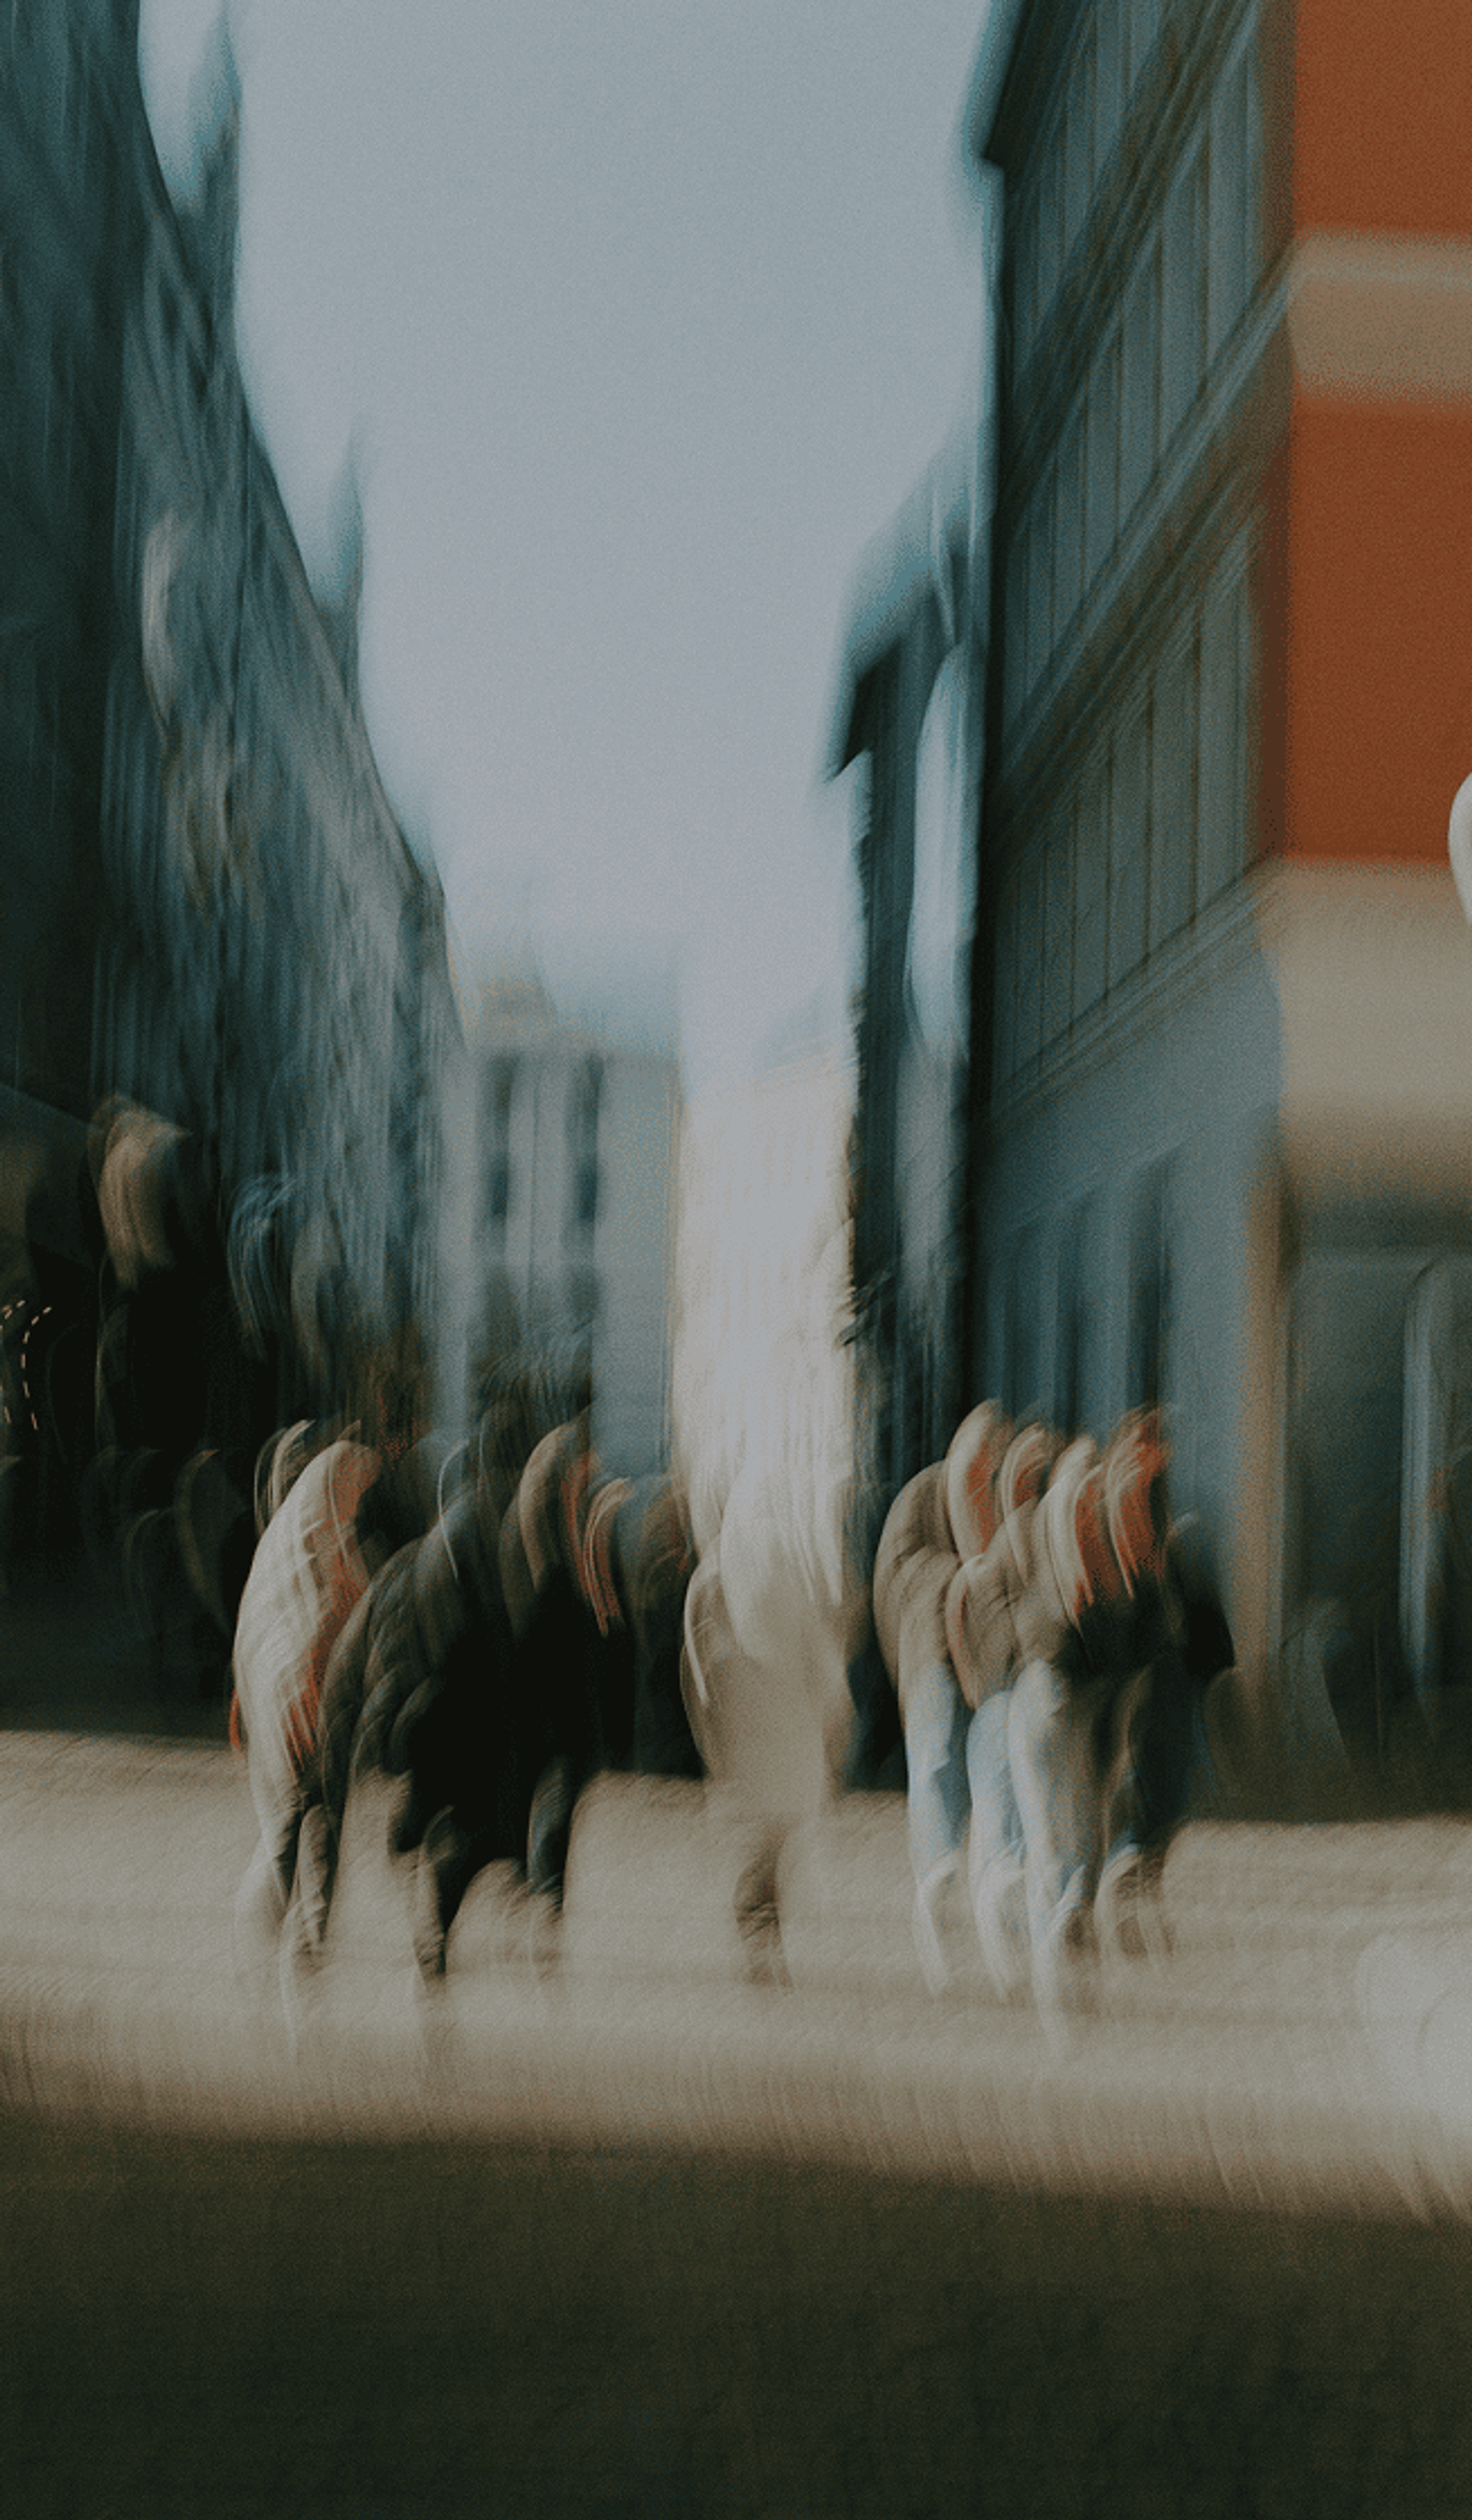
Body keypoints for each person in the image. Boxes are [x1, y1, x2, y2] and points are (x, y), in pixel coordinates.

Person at [871, 1403, 1013, 1993]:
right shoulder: (921, 1500)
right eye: (980, 1465)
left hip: (984, 1664)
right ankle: (936, 1880)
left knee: (982, 1774)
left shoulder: (1002, 1505)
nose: (986, 1476)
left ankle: (983, 1889)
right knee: (935, 1763)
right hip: (931, 1656)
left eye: (992, 1466)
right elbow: (891, 1584)